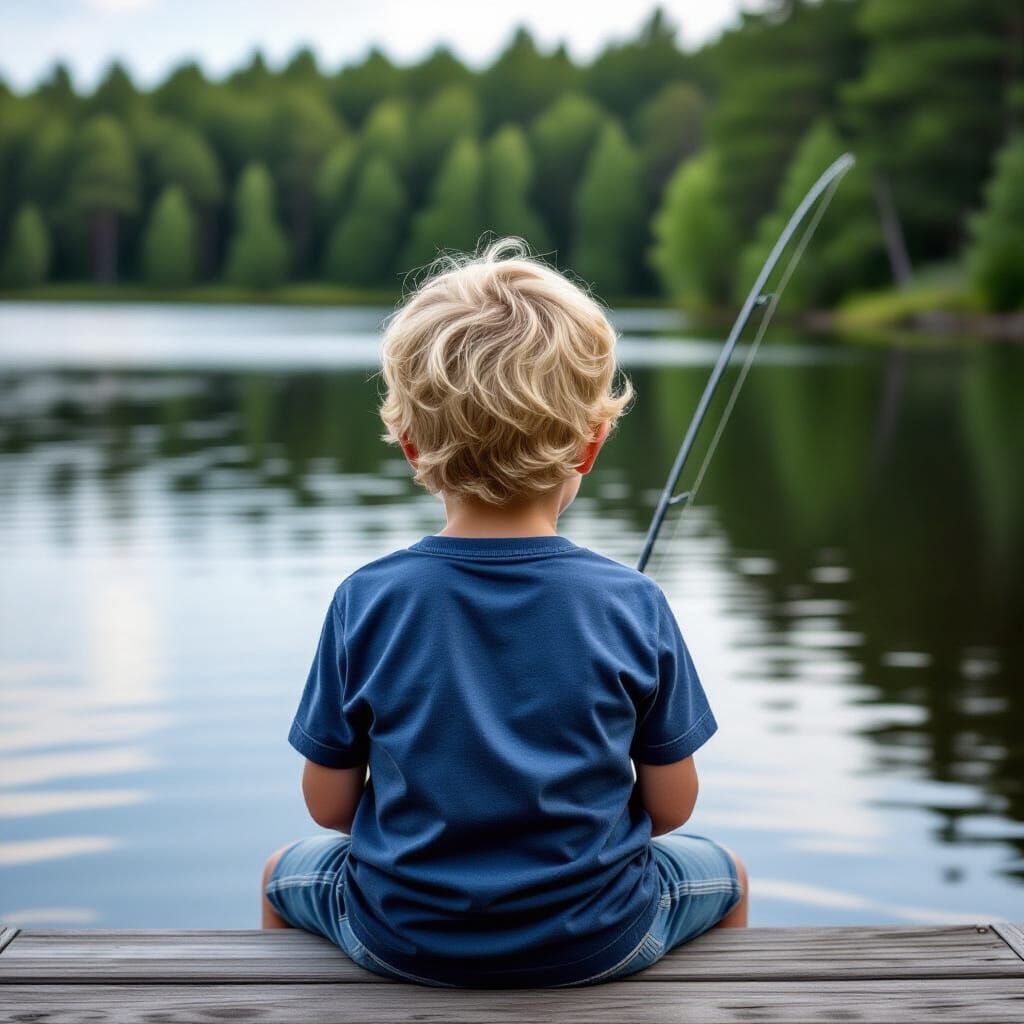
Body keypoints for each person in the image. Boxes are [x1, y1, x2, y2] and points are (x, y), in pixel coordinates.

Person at [261, 237, 748, 988]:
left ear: (411, 446)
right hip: (595, 942)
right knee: (730, 876)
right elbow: (673, 807)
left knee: (278, 875)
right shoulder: (633, 603)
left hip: (401, 938)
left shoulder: (367, 599)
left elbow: (328, 807)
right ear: (589, 447)